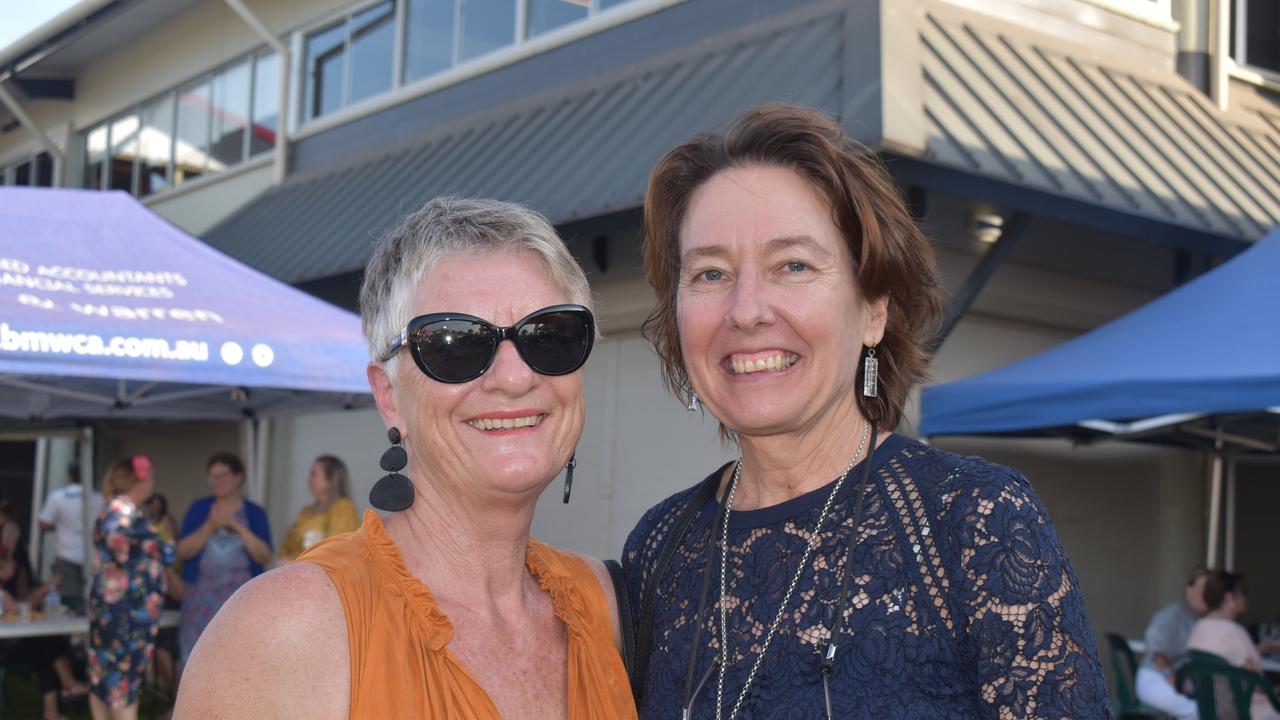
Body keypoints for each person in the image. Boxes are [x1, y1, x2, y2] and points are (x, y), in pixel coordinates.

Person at [622, 104, 1108, 719]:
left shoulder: (972, 521)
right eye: (710, 273)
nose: (746, 311)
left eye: (792, 265)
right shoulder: (660, 547)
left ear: (873, 309)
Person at [174, 197, 635, 718]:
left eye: (549, 336)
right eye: (456, 344)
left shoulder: (608, 604)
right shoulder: (286, 630)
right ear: (388, 395)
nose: (515, 377)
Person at [88, 455, 175, 720]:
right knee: (123, 678)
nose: (154, 483)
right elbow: (117, 537)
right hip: (127, 612)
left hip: (118, 609)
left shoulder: (116, 508)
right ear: (140, 479)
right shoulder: (122, 510)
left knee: (105, 676)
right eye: (152, 477)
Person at [175, 452, 271, 665]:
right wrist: (210, 526)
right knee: (195, 660)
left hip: (240, 601)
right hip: (200, 599)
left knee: (237, 658)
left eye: (221, 476)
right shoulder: (200, 509)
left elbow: (263, 554)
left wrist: (235, 525)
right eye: (212, 477)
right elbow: (182, 551)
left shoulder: (254, 512)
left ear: (238, 477)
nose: (215, 482)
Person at [1, 522, 89, 720]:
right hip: (4, 648)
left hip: (10, 642)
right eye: (8, 563)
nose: (13, 566)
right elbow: (18, 607)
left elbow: (19, 607)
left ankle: (54, 710)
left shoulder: (10, 585)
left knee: (45, 650)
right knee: (47, 645)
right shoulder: (3, 591)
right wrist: (46, 587)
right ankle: (68, 685)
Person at [1187, 571, 1280, 720]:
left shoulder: (1198, 628)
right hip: (1243, 712)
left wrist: (1262, 647)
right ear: (1230, 598)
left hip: (1211, 713)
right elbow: (1257, 684)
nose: (1245, 599)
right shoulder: (1234, 632)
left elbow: (1227, 658)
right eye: (1243, 593)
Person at [1134, 566, 1210, 720]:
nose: (1208, 594)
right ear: (1189, 589)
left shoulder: (1206, 620)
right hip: (1157, 677)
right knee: (1197, 712)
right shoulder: (1173, 614)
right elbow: (1155, 647)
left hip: (1184, 680)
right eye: (1203, 589)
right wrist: (1172, 678)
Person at [38, 463, 102, 613]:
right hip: (93, 557)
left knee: (67, 603)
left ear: (70, 476)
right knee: (91, 600)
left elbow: (43, 524)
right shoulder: (99, 498)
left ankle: (69, 634)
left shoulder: (59, 496)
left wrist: (59, 526)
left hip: (66, 556)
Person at [278, 455, 359, 561]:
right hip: (295, 572)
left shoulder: (343, 507)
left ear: (330, 480)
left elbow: (336, 549)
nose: (308, 478)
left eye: (314, 474)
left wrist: (292, 561)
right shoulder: (306, 511)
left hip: (320, 574)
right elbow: (285, 546)